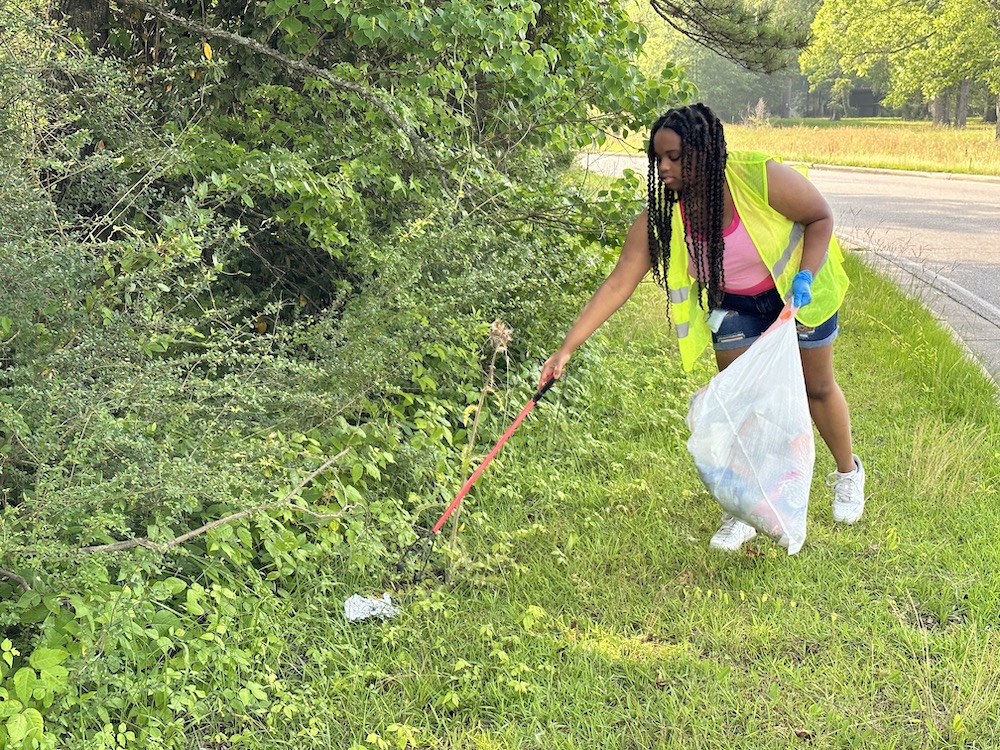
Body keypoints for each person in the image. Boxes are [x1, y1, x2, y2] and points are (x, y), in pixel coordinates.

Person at [538, 102, 866, 552]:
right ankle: (746, 510)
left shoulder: (757, 177)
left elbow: (820, 216)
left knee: (817, 389)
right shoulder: (660, 219)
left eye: (675, 156)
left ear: (705, 152)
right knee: (741, 404)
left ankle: (847, 474)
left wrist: (806, 275)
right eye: (659, 159)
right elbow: (617, 285)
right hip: (735, 306)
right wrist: (566, 348)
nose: (665, 167)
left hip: (798, 295)